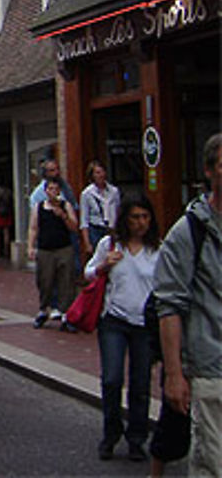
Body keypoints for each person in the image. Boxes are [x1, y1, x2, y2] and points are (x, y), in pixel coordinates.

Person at [153, 133, 222, 477]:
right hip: (211, 370)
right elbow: (169, 306)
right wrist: (175, 374)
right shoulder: (188, 232)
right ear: (210, 171)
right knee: (214, 463)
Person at [84, 195, 161, 462]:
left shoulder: (158, 250)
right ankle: (111, 432)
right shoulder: (110, 244)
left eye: (145, 217)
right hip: (114, 320)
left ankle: (137, 439)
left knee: (140, 384)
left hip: (144, 324)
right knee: (112, 379)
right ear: (125, 219)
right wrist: (105, 265)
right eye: (135, 217)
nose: (141, 223)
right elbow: (88, 272)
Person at [27, 177, 81, 330]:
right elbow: (33, 227)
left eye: (56, 190)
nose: (53, 193)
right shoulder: (39, 207)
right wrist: (31, 246)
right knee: (45, 281)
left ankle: (65, 313)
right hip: (45, 249)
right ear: (45, 191)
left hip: (63, 247)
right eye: (50, 189)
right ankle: (44, 309)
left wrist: (63, 215)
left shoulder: (66, 206)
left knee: (66, 280)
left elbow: (74, 227)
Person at [79, 160, 120, 263]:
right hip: (96, 229)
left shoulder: (113, 191)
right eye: (97, 173)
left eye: (102, 172)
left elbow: (118, 210)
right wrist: (87, 243)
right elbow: (84, 220)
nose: (100, 175)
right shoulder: (87, 194)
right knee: (99, 260)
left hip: (111, 229)